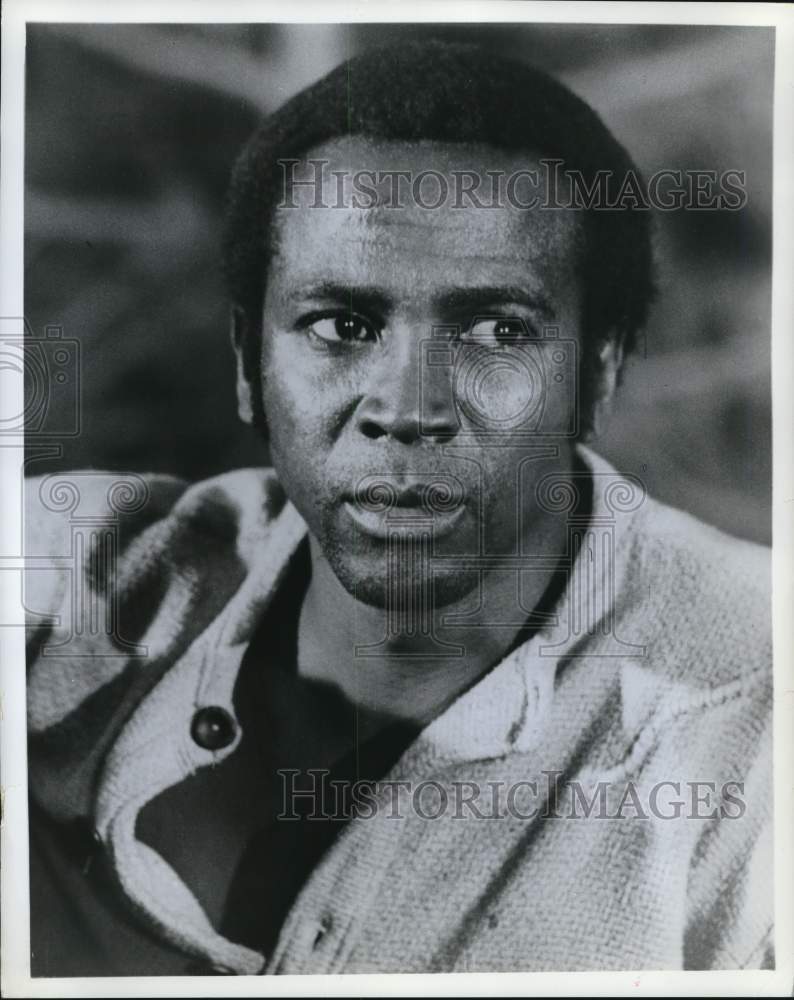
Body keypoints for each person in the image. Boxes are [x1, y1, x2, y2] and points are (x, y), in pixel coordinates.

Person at [25, 40, 772, 975]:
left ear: (598, 376)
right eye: (342, 326)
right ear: (248, 366)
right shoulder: (69, 586)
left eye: (497, 330)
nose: (406, 408)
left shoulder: (753, 732)